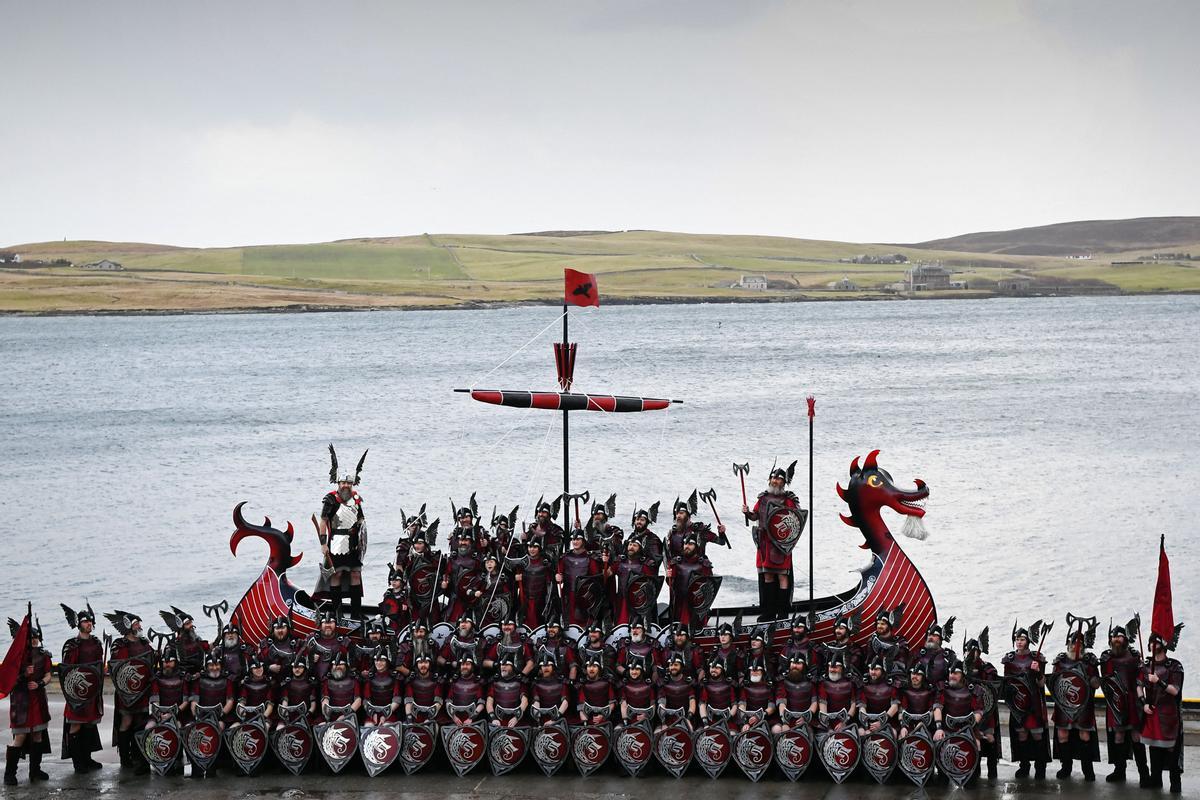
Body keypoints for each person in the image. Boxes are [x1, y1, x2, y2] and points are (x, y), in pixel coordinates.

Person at [743, 462, 807, 620]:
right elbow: (755, 516)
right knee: (767, 576)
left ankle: (783, 612)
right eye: (772, 478)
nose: (774, 481)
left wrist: (785, 538)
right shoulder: (763, 498)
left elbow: (797, 519)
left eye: (778, 479)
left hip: (781, 544)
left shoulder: (788, 500)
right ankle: (769, 612)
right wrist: (747, 513)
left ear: (784, 482)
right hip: (764, 542)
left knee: (782, 576)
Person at [318, 445, 368, 624]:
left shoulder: (356, 499)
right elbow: (323, 521)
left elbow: (361, 519)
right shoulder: (330, 499)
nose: (346, 485)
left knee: (355, 574)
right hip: (337, 541)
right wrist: (323, 544)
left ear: (352, 484)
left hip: (354, 542)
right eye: (343, 483)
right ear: (338, 484)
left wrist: (362, 539)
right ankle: (337, 613)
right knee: (337, 575)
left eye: (348, 483)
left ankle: (356, 613)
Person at [1051, 618, 1101, 781]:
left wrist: (1090, 676)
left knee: (1085, 736)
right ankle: (1066, 768)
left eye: (1079, 643)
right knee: (1063, 735)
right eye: (1073, 643)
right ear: (1068, 644)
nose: (1076, 646)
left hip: (1083, 706)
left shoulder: (1089, 661)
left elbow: (1096, 684)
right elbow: (1053, 682)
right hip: (1064, 706)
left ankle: (1088, 770)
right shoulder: (1060, 661)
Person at [3, 617, 51, 786]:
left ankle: (35, 770)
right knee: (21, 735)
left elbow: (48, 675)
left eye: (36, 637)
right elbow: (8, 681)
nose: (35, 640)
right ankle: (9, 774)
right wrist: (24, 674)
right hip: (21, 701)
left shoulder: (43, 656)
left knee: (38, 734)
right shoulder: (17, 658)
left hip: (37, 698)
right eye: (31, 638)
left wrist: (39, 683)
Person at [1099, 620, 1148, 784]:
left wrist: (1143, 672)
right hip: (1116, 703)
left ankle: (1144, 775)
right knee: (1118, 735)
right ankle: (1119, 771)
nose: (1116, 640)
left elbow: (1141, 675)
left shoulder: (1134, 656)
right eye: (1114, 637)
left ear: (1125, 639)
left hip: (1133, 701)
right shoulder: (1106, 658)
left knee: (1136, 736)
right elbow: (1105, 680)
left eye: (1119, 637)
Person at [105, 610, 153, 772]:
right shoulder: (119, 645)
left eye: (139, 623)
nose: (139, 626)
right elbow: (118, 666)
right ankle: (125, 758)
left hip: (143, 690)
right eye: (136, 624)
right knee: (126, 721)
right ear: (128, 626)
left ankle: (139, 757)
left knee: (141, 722)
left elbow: (150, 662)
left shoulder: (144, 643)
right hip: (126, 692)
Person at [59, 603, 104, 773]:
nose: (89, 624)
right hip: (76, 693)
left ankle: (87, 758)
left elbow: (99, 665)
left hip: (92, 691)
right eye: (85, 622)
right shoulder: (72, 645)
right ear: (79, 624)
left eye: (90, 621)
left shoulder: (97, 643)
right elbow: (66, 671)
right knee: (76, 725)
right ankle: (78, 763)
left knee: (89, 725)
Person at [1138, 627, 1185, 793]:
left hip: (1169, 716)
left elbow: (1175, 690)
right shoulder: (1146, 665)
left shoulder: (1174, 666)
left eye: (1155, 641)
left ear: (1163, 644)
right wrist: (1143, 703)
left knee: (1172, 751)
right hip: (1152, 713)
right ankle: (1155, 779)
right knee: (1154, 749)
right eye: (1150, 641)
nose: (1151, 644)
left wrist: (1159, 681)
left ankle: (1175, 783)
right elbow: (1139, 685)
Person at [1003, 622, 1050, 780]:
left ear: (1028, 641)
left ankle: (1040, 767)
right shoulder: (1009, 660)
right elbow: (1007, 683)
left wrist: (1037, 672)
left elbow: (1042, 684)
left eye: (1022, 639)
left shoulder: (1037, 658)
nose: (1019, 642)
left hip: (1034, 704)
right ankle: (1024, 766)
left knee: (1037, 735)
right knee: (1021, 735)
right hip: (1018, 705)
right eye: (1017, 639)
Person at [963, 628, 1002, 779]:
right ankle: (975, 772)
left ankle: (992, 773)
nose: (972, 654)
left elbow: (993, 686)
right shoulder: (961, 668)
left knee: (989, 737)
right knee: (974, 739)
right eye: (969, 651)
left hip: (986, 710)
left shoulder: (987, 668)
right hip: (968, 711)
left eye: (975, 651)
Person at [666, 534, 714, 628]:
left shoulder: (704, 564)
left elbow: (710, 586)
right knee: (679, 629)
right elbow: (671, 584)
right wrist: (669, 576)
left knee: (696, 629)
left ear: (696, 546)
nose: (687, 546)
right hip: (679, 603)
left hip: (697, 604)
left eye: (690, 544)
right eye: (685, 543)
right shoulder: (676, 562)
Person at [556, 531, 602, 627]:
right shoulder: (565, 557)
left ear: (583, 541)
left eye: (578, 539)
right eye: (573, 539)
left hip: (584, 596)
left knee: (582, 621)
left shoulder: (590, 558)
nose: (575, 542)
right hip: (568, 594)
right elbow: (558, 572)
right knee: (568, 621)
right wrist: (559, 577)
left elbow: (596, 578)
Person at [609, 537, 656, 625]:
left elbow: (652, 585)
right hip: (621, 600)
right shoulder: (620, 562)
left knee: (635, 625)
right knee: (620, 625)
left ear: (640, 548)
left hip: (637, 603)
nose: (631, 547)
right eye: (630, 544)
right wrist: (606, 560)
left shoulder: (645, 564)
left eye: (635, 545)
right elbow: (607, 575)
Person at [666, 494, 727, 559]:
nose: (678, 516)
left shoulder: (700, 530)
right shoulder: (673, 532)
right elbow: (668, 555)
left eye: (681, 513)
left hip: (697, 567)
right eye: (677, 514)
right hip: (679, 568)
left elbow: (721, 542)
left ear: (688, 515)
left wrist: (721, 532)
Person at [514, 537, 555, 627]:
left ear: (539, 548)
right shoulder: (522, 561)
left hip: (540, 598)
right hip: (525, 597)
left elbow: (550, 582)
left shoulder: (545, 562)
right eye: (530, 547)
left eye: (534, 547)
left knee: (539, 621)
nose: (531, 549)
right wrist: (516, 578)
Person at [773, 653, 817, 734]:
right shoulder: (783, 681)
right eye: (793, 663)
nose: (795, 666)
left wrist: (806, 717)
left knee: (807, 732)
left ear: (804, 665)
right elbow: (781, 702)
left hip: (805, 719)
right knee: (776, 730)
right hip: (785, 718)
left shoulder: (810, 682)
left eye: (798, 663)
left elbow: (814, 702)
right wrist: (785, 722)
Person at [858, 657, 899, 733]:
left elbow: (895, 707)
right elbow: (862, 706)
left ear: (883, 670)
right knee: (862, 733)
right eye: (871, 669)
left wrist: (881, 722)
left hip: (888, 721)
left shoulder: (891, 685)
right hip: (868, 721)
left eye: (876, 669)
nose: (872, 672)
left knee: (892, 732)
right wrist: (867, 723)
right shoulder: (865, 685)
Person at [276, 654, 319, 728]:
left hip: (306, 716)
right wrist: (284, 714)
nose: (297, 669)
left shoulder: (310, 683)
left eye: (300, 667)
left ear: (304, 667)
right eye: (295, 667)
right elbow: (285, 701)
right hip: (289, 715)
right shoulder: (287, 683)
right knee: (279, 729)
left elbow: (313, 704)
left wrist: (307, 715)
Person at [865, 608, 909, 679]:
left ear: (889, 625)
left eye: (882, 624)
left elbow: (902, 663)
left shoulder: (900, 642)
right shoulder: (872, 640)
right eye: (878, 623)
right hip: (874, 676)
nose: (879, 626)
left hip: (894, 676)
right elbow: (868, 661)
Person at [912, 618, 957, 687]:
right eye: (929, 635)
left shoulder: (949, 656)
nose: (930, 637)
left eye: (934, 635)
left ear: (941, 639)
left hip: (941, 693)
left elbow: (956, 677)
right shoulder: (918, 654)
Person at [362, 647, 403, 724]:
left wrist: (385, 715)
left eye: (382, 660)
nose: (378, 663)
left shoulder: (394, 677)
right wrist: (372, 714)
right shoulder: (370, 677)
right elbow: (366, 700)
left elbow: (397, 700)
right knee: (368, 727)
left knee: (387, 729)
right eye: (376, 660)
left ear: (387, 661)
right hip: (372, 713)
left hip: (390, 713)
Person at [302, 611, 347, 681]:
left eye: (331, 622)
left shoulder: (344, 641)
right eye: (325, 622)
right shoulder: (311, 638)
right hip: (312, 681)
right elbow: (298, 658)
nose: (328, 625)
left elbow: (351, 663)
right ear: (321, 624)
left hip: (334, 682)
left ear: (336, 624)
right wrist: (309, 658)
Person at [777, 614, 822, 680]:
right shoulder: (787, 648)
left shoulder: (814, 649)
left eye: (800, 627)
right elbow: (781, 667)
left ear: (806, 628)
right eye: (795, 627)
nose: (796, 630)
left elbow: (815, 671)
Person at [487, 655, 528, 728]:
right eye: (502, 664)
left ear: (513, 667)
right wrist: (493, 718)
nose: (503, 667)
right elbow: (489, 702)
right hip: (498, 722)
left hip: (517, 723)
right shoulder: (495, 681)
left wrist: (516, 717)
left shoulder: (520, 682)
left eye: (506, 665)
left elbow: (525, 702)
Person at [817, 653, 857, 726]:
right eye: (830, 667)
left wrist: (845, 722)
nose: (832, 670)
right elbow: (822, 703)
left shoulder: (850, 683)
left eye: (835, 667)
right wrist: (827, 725)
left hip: (847, 722)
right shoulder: (823, 683)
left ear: (842, 667)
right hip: (828, 723)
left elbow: (853, 704)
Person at [257, 615, 298, 687]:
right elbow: (257, 662)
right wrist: (268, 667)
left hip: (291, 680)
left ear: (288, 628)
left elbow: (303, 662)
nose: (280, 631)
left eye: (283, 628)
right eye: (277, 628)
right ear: (273, 629)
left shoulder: (297, 643)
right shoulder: (265, 643)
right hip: (269, 680)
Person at [321, 652, 361, 722]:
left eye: (340, 664)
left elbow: (358, 701)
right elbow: (325, 699)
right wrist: (326, 714)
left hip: (349, 717)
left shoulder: (354, 680)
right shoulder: (327, 681)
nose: (337, 667)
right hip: (331, 717)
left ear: (346, 665)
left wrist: (346, 716)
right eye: (335, 665)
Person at [534, 615, 576, 681]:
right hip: (543, 682)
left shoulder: (566, 646)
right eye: (549, 627)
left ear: (560, 628)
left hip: (562, 682)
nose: (551, 630)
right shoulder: (540, 644)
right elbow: (536, 665)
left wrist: (571, 682)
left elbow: (573, 667)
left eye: (554, 627)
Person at [737, 658, 774, 732]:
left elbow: (772, 707)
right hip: (748, 719)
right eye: (752, 670)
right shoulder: (745, 687)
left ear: (762, 671)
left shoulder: (768, 687)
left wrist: (760, 715)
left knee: (776, 729)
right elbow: (742, 705)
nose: (754, 672)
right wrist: (746, 722)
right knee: (744, 731)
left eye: (757, 670)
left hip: (765, 718)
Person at [617, 657, 655, 729]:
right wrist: (626, 722)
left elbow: (652, 704)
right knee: (618, 730)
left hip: (645, 720)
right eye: (632, 669)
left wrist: (646, 715)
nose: (634, 672)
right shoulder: (624, 685)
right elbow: (623, 704)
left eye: (637, 669)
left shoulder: (649, 685)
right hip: (628, 720)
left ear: (641, 670)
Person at [403, 655, 443, 723]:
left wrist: (429, 718)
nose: (423, 665)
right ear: (417, 665)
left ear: (430, 664)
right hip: (414, 716)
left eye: (426, 662)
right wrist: (409, 717)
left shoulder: (436, 680)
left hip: (432, 717)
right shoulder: (411, 681)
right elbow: (408, 700)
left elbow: (438, 701)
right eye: (420, 663)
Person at [446, 657, 486, 724]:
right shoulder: (454, 682)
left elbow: (481, 703)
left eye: (467, 664)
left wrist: (471, 718)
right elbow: (448, 702)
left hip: (473, 721)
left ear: (472, 667)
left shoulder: (478, 682)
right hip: (456, 720)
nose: (464, 667)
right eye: (462, 664)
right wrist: (454, 717)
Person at [699, 659, 738, 728]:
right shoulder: (706, 684)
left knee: (732, 734)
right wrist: (705, 722)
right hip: (710, 720)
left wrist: (727, 720)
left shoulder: (729, 684)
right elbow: (702, 704)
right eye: (712, 667)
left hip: (727, 721)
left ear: (722, 669)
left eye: (717, 668)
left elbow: (734, 705)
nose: (713, 670)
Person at [576, 658, 616, 725]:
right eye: (589, 666)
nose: (591, 669)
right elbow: (581, 705)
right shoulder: (582, 685)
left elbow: (612, 703)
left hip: (605, 720)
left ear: (599, 669)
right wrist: (584, 721)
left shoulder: (607, 683)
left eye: (594, 666)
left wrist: (603, 717)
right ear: (586, 669)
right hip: (588, 720)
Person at [531, 656, 569, 723]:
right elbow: (536, 702)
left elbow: (565, 702)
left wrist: (554, 719)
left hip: (559, 719)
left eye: (548, 665)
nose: (546, 668)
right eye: (543, 666)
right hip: (541, 719)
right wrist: (538, 719)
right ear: (540, 668)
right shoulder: (536, 683)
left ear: (553, 667)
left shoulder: (562, 682)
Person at [628, 504, 664, 571]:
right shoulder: (631, 536)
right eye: (637, 519)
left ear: (647, 522)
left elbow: (656, 560)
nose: (639, 522)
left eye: (642, 520)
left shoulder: (653, 538)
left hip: (646, 575)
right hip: (631, 572)